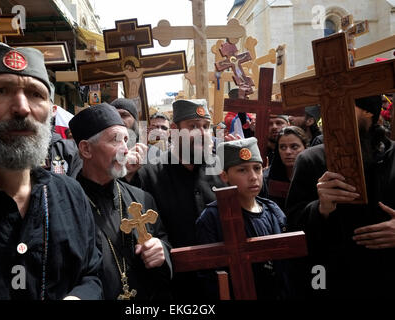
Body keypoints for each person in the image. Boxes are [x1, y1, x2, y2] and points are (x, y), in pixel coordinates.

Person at [0, 41, 103, 300]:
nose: (22, 108)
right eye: (0, 91)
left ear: (50, 113)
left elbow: (91, 275)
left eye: (35, 94)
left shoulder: (71, 195)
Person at [286, 95, 395, 299]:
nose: (330, 114)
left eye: (339, 104)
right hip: (333, 279)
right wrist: (321, 208)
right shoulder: (310, 160)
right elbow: (293, 226)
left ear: (368, 111)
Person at [69, 103, 172, 300]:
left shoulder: (142, 198)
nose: (126, 150)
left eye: (127, 140)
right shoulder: (67, 204)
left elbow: (162, 239)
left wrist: (162, 251)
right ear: (86, 149)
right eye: (116, 141)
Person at [127, 99, 227, 299]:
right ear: (174, 130)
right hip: (173, 288)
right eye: (193, 127)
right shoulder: (149, 174)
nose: (202, 134)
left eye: (206, 127)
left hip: (221, 282)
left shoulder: (223, 169)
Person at [196, 138, 290, 299]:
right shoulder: (213, 217)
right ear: (224, 175)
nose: (253, 177)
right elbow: (209, 276)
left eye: (257, 168)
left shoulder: (273, 211)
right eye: (242, 170)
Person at [95, 57, 176, 118]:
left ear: (131, 65)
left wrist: (167, 62)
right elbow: (114, 73)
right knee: (129, 116)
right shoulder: (126, 72)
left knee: (139, 117)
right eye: (126, 68)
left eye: (128, 67)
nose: (127, 69)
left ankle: (140, 134)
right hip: (129, 98)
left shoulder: (141, 70)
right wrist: (101, 71)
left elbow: (154, 68)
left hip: (137, 97)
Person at [261, 126, 309, 211]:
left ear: (305, 147)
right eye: (282, 147)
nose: (288, 152)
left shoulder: (316, 176)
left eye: (294, 147)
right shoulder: (266, 178)